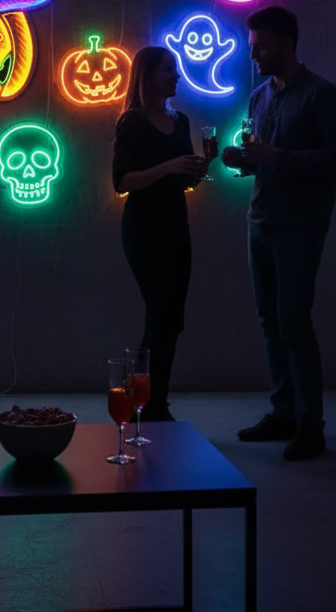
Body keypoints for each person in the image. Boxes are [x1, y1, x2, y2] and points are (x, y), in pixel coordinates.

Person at [221, 6, 336, 460]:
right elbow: (263, 159)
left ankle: (310, 425)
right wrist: (243, 161)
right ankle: (283, 412)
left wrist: (278, 157)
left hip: (300, 225)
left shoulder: (322, 95)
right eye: (252, 46)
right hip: (260, 220)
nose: (253, 54)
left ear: (286, 44)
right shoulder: (260, 96)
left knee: (294, 323)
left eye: (260, 47)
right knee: (270, 323)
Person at [112, 46, 210, 421]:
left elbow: (184, 181)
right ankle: (147, 404)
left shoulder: (179, 121)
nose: (176, 76)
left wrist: (199, 169)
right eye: (169, 70)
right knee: (160, 314)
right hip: (143, 227)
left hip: (175, 225)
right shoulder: (132, 122)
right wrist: (169, 166)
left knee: (172, 318)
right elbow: (122, 181)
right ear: (148, 76)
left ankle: (150, 401)